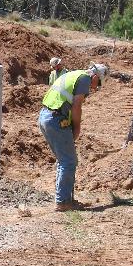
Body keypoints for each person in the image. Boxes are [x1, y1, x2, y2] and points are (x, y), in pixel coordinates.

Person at [38, 63, 108, 211]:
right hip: (55, 118)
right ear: (95, 76)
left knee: (64, 161)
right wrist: (77, 127)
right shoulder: (84, 79)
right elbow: (76, 107)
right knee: (69, 162)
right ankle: (63, 202)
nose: (95, 88)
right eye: (98, 83)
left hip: (46, 116)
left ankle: (65, 199)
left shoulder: (74, 74)